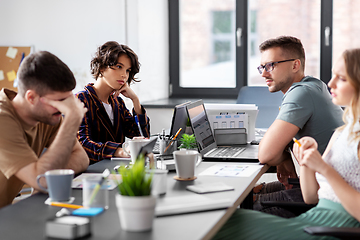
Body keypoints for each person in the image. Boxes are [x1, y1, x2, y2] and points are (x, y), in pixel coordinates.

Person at [213, 48, 360, 240]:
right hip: (313, 218)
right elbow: (311, 197)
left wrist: (323, 168)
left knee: (220, 224)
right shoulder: (343, 131)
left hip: (334, 228)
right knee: (221, 217)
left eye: (341, 78)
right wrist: (307, 161)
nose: (331, 83)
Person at [254, 36, 343, 217]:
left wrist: (281, 156)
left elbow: (266, 154)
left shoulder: (301, 93)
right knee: (253, 192)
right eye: (262, 67)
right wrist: (285, 156)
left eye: (271, 65)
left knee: (249, 203)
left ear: (295, 65)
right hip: (323, 183)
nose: (264, 73)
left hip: (329, 193)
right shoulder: (314, 85)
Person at [0, 51, 89, 208]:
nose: (65, 108)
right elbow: (42, 180)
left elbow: (81, 157)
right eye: (60, 102)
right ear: (31, 97)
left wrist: (46, 176)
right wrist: (72, 119)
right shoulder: (2, 119)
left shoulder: (46, 116)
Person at [76, 41, 150, 164]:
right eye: (119, 67)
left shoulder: (118, 103)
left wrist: (135, 101)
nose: (124, 75)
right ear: (102, 67)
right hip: (91, 173)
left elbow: (141, 137)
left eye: (128, 70)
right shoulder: (81, 100)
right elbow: (82, 145)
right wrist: (118, 151)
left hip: (115, 169)